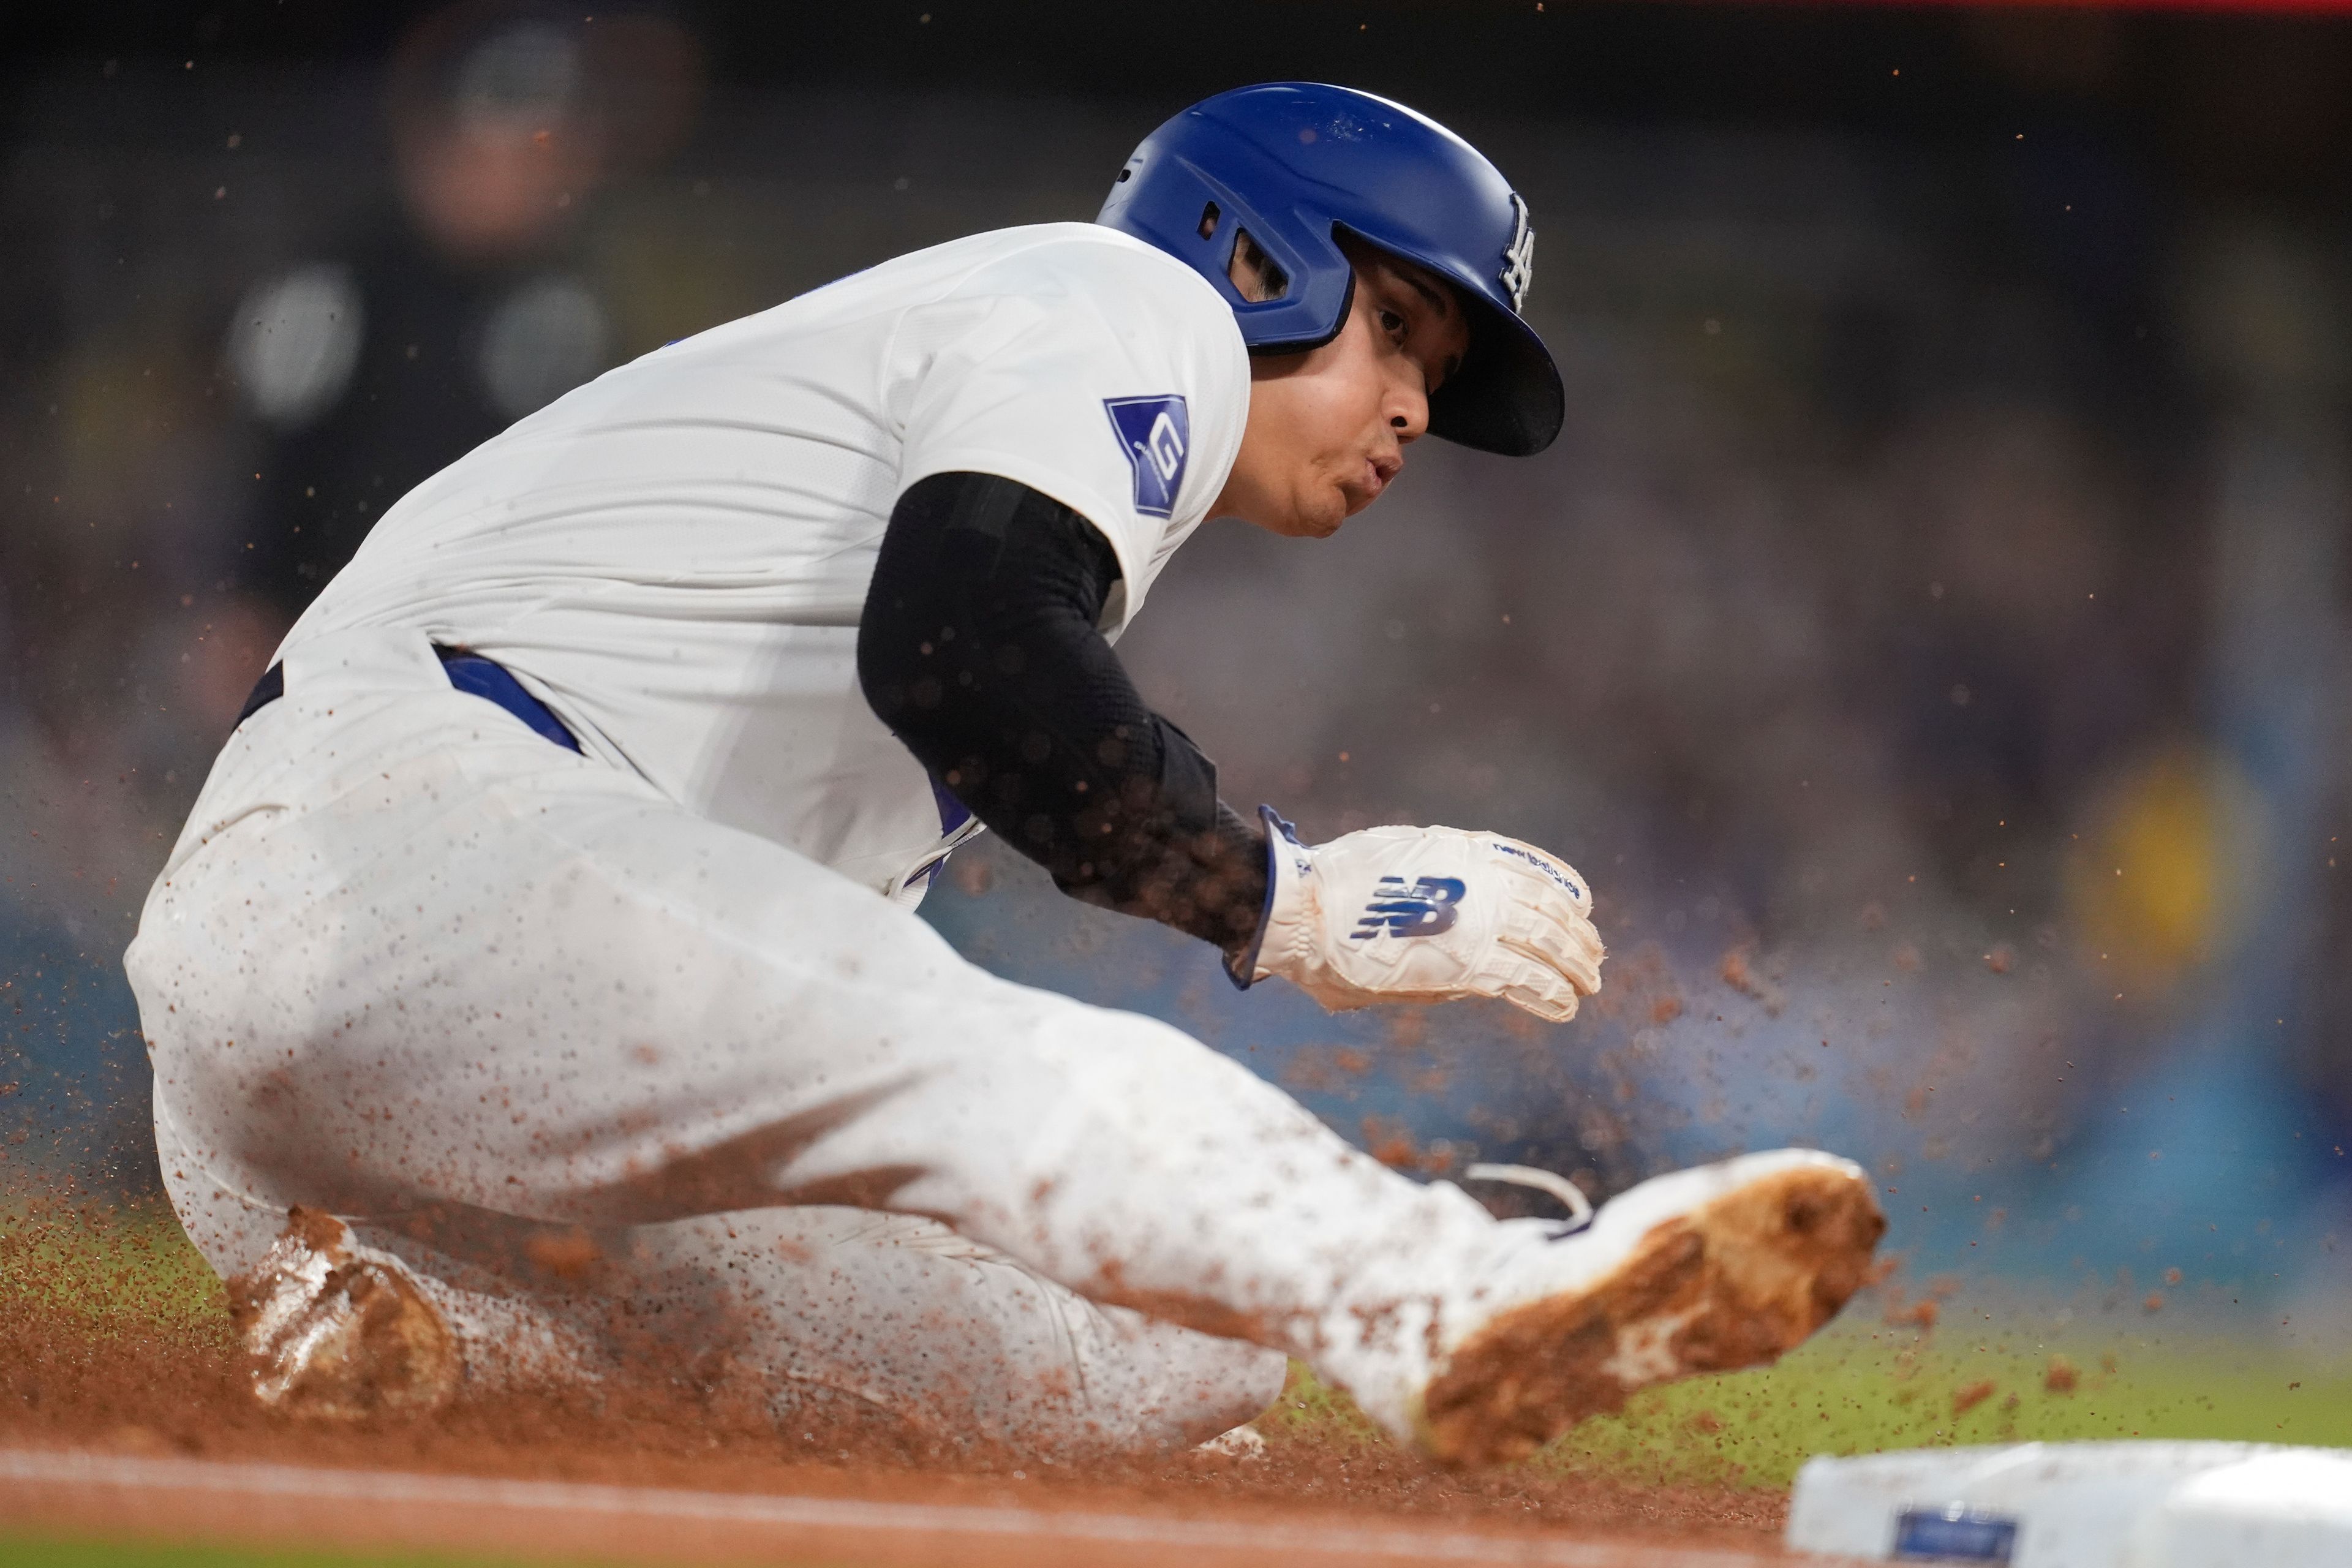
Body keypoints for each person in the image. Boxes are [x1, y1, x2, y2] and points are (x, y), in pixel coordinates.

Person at [127, 83, 1881, 1467]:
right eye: (1404, 328)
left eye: (1437, 370)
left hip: (365, 1104)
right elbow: (965, 646)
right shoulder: (1122, 297)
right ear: (1260, 257)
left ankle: (420, 1343)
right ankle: (1450, 1296)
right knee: (965, 1057)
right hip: (407, 844)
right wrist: (1293, 897)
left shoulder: (1056, 440)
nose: (1417, 405)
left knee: (1150, 1364)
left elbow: (957, 674)